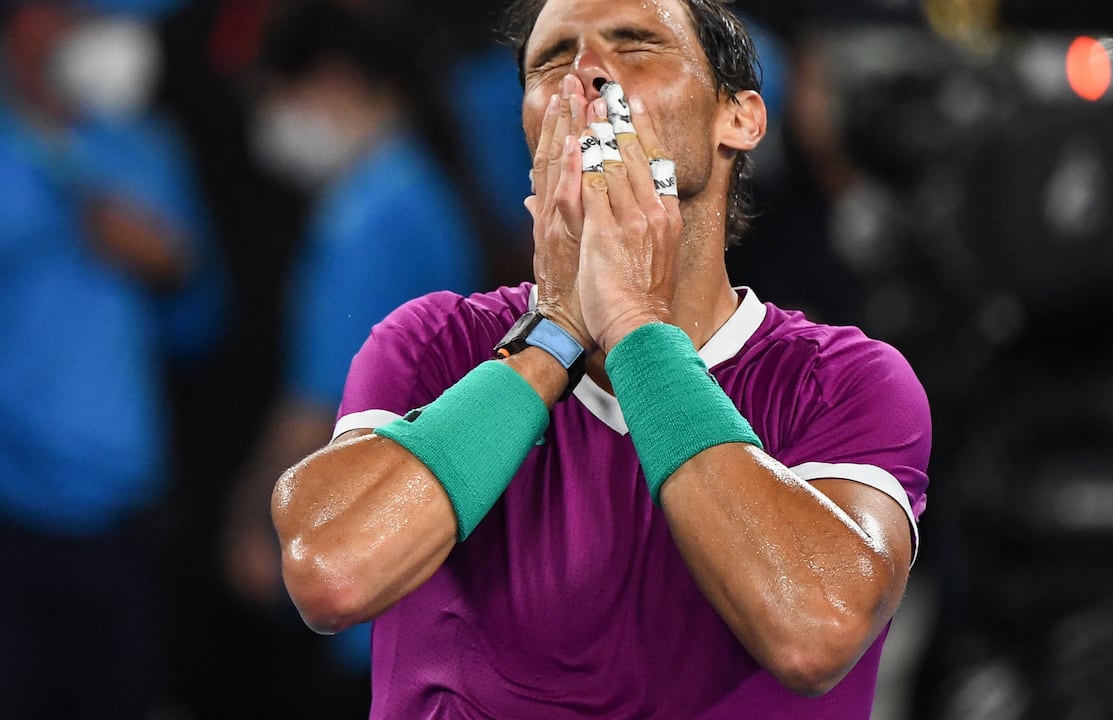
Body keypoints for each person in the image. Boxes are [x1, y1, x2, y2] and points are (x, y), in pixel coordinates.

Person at [271, 0, 931, 718]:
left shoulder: (842, 381)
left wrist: (635, 327)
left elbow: (815, 632)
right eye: (553, 60)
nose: (585, 75)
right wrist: (553, 332)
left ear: (738, 116)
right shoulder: (434, 344)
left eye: (636, 45)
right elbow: (332, 574)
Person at [220, 0, 482, 697]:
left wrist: (256, 522)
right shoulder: (420, 188)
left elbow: (316, 407)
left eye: (278, 98)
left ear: (332, 82)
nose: (271, 125)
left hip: (373, 564)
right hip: (422, 549)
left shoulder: (368, 218)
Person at [0, 0, 224, 715]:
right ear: (26, 24)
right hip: (13, 505)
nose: (107, 36)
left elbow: (202, 325)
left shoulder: (147, 151)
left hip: (126, 512)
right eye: (81, 14)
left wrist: (171, 268)